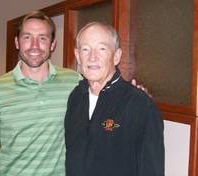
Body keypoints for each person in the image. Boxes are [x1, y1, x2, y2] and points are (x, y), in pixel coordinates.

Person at [0, 11, 81, 175]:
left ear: (52, 44)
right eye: (27, 37)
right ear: (17, 42)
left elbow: (103, 107)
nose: (34, 45)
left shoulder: (74, 82)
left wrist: (129, 93)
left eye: (43, 38)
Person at [65, 22, 164, 176]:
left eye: (102, 49)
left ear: (116, 56)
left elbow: (152, 169)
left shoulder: (140, 104)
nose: (92, 57)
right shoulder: (76, 97)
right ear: (78, 56)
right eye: (85, 49)